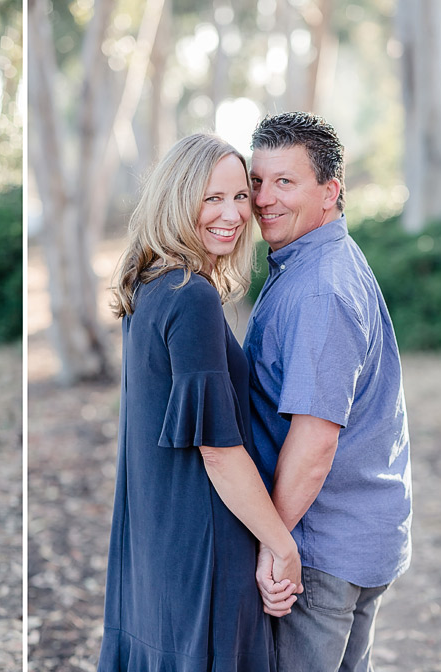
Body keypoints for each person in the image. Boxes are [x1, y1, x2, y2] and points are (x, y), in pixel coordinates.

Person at [97, 133, 303, 672]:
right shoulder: (191, 297)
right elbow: (219, 451)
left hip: (156, 545)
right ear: (177, 198)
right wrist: (281, 544)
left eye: (241, 197)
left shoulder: (151, 285)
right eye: (212, 198)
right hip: (203, 546)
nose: (233, 214)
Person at [245, 111, 412, 671]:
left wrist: (276, 542)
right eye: (258, 181)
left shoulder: (319, 289)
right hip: (353, 536)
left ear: (330, 191)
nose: (264, 198)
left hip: (319, 551)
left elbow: (315, 443)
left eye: (285, 182)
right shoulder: (318, 259)